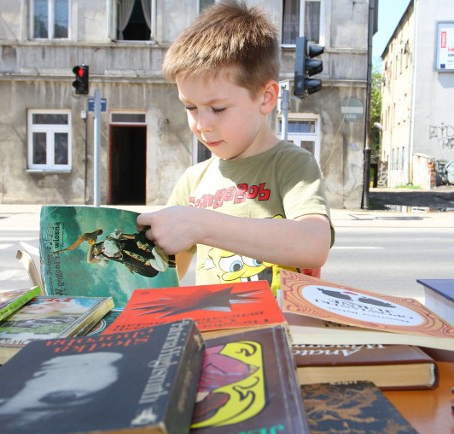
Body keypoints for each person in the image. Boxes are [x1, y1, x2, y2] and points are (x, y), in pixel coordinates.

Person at [136, 0, 334, 294]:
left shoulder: (291, 165)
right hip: (215, 332)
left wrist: (202, 225)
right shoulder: (194, 180)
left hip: (277, 333)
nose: (202, 125)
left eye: (217, 109)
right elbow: (163, 277)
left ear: (266, 98)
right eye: (190, 107)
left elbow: (313, 244)